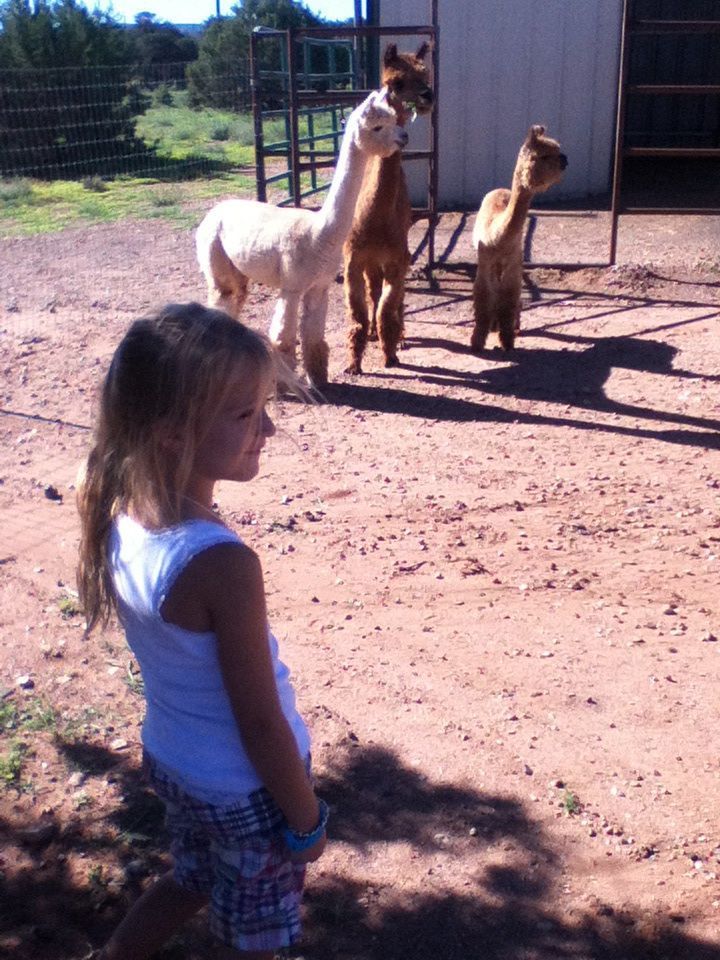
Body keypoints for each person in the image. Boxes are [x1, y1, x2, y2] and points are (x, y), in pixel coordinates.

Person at [76, 302, 326, 960]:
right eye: (245, 415)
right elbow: (261, 725)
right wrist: (305, 820)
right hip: (246, 791)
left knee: (190, 877)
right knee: (257, 939)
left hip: (176, 764)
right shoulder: (220, 564)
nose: (268, 428)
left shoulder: (117, 512)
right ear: (170, 432)